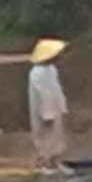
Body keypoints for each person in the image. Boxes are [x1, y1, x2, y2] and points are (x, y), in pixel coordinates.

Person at [28, 38, 70, 172]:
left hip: (55, 107)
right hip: (43, 110)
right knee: (44, 136)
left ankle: (56, 161)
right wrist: (47, 112)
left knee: (57, 135)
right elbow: (42, 94)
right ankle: (43, 163)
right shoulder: (37, 73)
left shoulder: (51, 69)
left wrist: (62, 105)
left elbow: (56, 89)